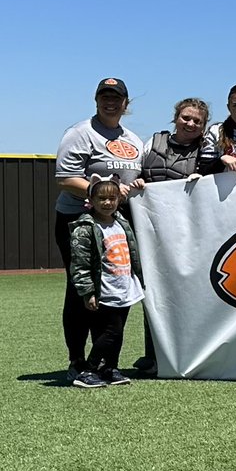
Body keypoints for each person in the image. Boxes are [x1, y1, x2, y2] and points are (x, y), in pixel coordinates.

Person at [54, 78, 144, 385]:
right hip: (80, 221)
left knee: (118, 284)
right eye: (104, 96)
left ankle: (106, 362)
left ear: (125, 104)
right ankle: (78, 362)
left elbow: (136, 179)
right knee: (83, 289)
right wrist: (104, 192)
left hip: (116, 223)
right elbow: (66, 178)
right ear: (96, 100)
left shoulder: (134, 139)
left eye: (116, 97)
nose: (110, 102)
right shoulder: (80, 133)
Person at [133, 97, 211, 375]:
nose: (190, 124)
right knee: (151, 291)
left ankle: (187, 351)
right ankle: (153, 353)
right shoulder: (152, 142)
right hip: (150, 229)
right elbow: (134, 172)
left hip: (185, 233)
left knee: (187, 293)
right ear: (175, 118)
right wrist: (137, 180)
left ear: (204, 126)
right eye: (185, 118)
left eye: (197, 121)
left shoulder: (206, 150)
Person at [67, 174, 147, 388]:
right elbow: (80, 264)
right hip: (105, 289)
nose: (107, 203)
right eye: (101, 199)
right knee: (111, 331)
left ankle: (109, 367)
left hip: (124, 287)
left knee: (118, 333)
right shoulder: (84, 228)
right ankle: (87, 370)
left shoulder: (121, 222)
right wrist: (88, 292)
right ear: (91, 201)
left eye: (112, 198)